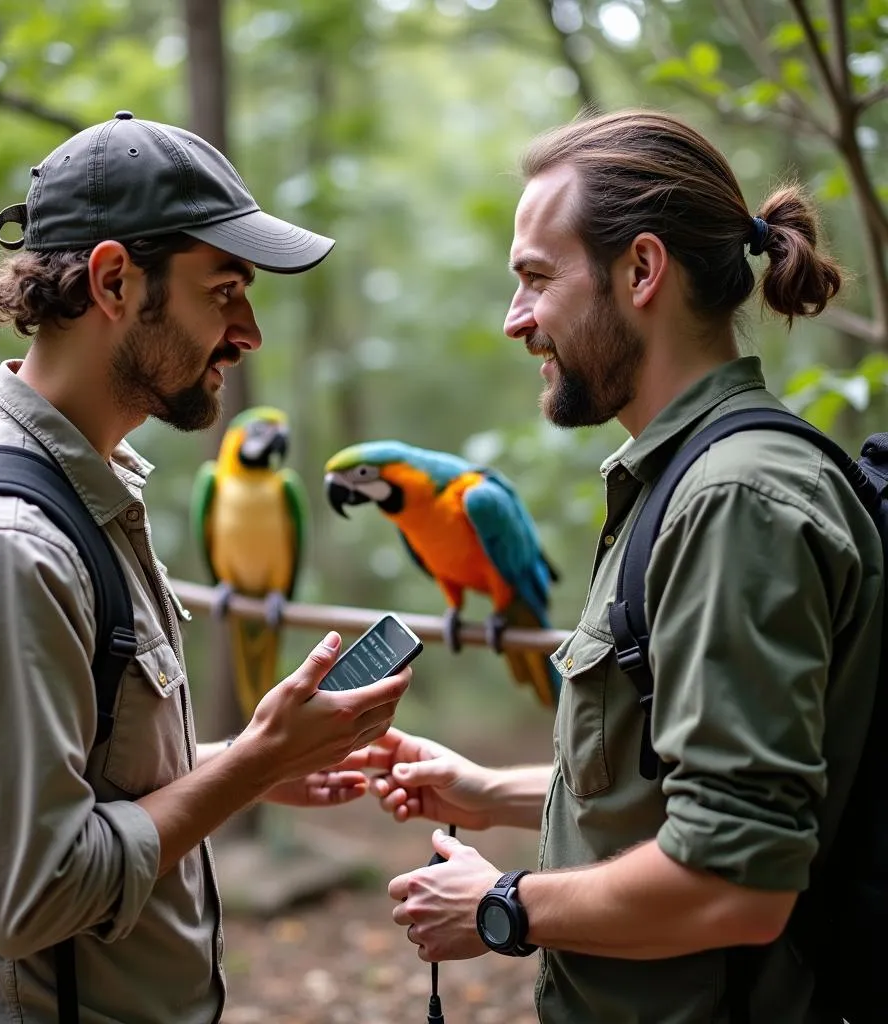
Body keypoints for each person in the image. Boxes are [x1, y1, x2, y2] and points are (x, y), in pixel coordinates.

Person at [0, 111, 410, 1023]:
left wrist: (243, 762)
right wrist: (245, 770)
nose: (248, 332)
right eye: (224, 290)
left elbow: (78, 782)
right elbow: (36, 894)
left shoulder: (85, 497)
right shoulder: (12, 549)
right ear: (114, 281)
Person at [370, 109, 883, 1023]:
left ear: (642, 270)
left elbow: (736, 880)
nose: (514, 319)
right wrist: (491, 794)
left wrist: (505, 906)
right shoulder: (679, 481)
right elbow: (677, 778)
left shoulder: (735, 503)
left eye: (535, 278)